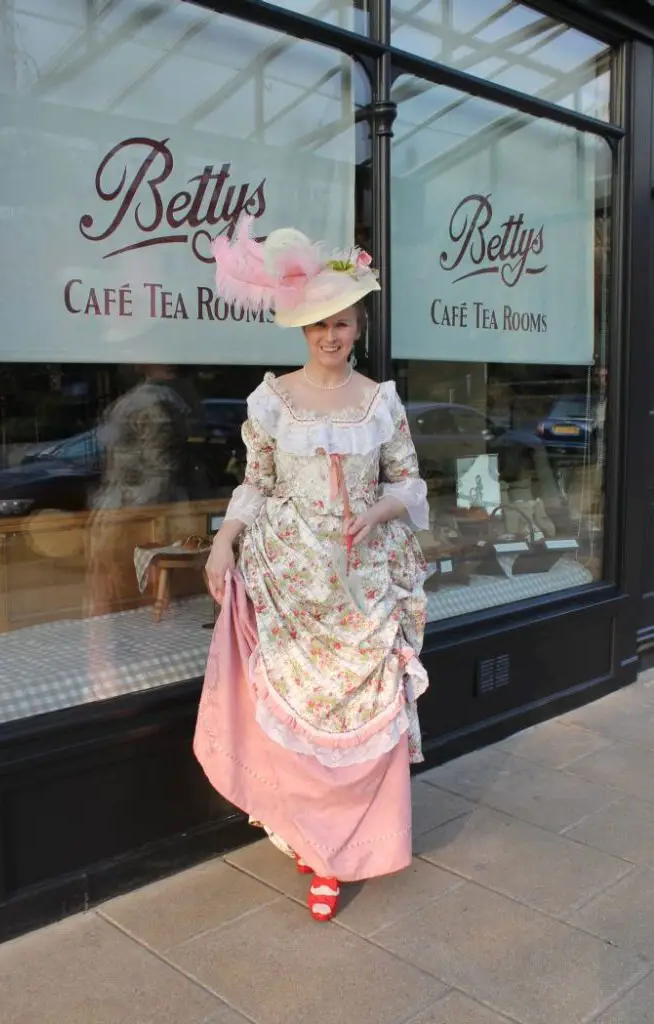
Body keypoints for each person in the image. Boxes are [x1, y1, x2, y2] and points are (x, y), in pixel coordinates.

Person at [195, 219, 429, 922]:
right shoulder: (272, 401)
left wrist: (380, 512)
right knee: (295, 718)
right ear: (302, 329)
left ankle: (346, 849)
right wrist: (223, 541)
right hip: (290, 575)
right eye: (320, 325)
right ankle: (315, 843)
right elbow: (257, 483)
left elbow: (410, 483)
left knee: (362, 716)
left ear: (359, 326)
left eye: (344, 324)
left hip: (361, 581)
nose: (332, 336)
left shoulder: (381, 401)